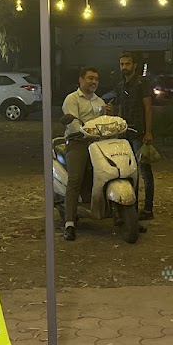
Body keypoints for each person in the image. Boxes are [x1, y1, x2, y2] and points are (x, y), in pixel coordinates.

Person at [60, 67, 105, 242]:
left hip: (98, 143)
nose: (93, 82)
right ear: (81, 80)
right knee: (75, 179)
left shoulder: (100, 101)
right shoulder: (72, 99)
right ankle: (69, 223)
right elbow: (73, 124)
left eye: (96, 79)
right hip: (77, 142)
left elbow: (104, 123)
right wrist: (85, 131)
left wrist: (109, 116)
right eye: (90, 78)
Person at [113, 51, 155, 219]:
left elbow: (148, 108)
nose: (124, 67)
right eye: (122, 64)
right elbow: (120, 108)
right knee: (129, 172)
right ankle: (132, 210)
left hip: (139, 133)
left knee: (144, 171)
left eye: (127, 64)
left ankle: (148, 209)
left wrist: (148, 132)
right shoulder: (120, 86)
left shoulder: (142, 83)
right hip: (125, 134)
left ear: (134, 65)